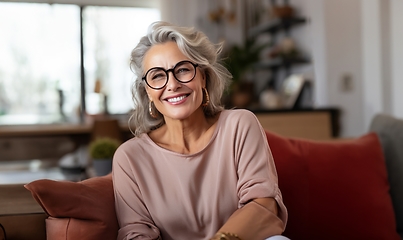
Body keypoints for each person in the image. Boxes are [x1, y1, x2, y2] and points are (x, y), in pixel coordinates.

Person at [112, 21, 288, 240]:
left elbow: (264, 205)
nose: (172, 84)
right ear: (147, 90)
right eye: (157, 75)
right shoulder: (129, 158)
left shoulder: (239, 125)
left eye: (183, 70)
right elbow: (135, 233)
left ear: (203, 77)